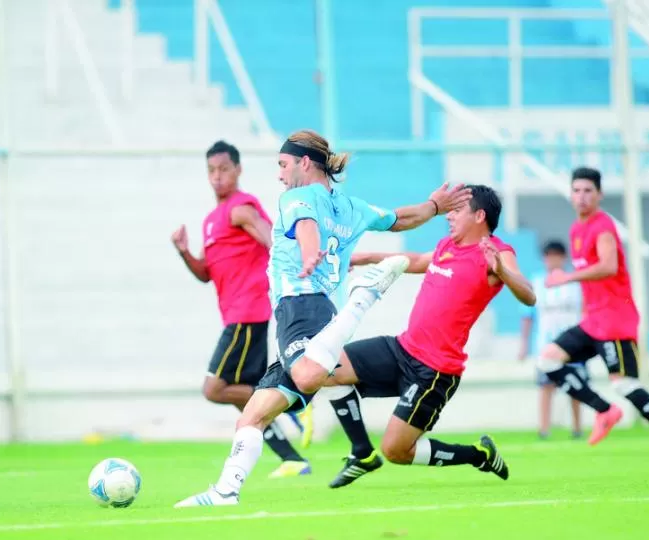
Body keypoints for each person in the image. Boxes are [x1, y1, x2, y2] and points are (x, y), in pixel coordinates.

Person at [174, 129, 472, 507]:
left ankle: (363, 299)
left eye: (283, 165)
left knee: (307, 375)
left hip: (301, 308)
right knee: (251, 415)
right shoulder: (351, 207)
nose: (280, 175)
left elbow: (307, 228)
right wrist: (433, 205)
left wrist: (311, 253)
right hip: (313, 314)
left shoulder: (296, 196)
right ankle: (225, 491)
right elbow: (398, 218)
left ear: (303, 162)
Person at [315, 185, 535, 487]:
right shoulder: (447, 245)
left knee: (396, 451)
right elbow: (416, 260)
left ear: (479, 215)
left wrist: (504, 272)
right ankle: (362, 453)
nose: (449, 216)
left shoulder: (498, 253)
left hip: (434, 370)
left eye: (457, 210)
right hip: (402, 349)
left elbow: (529, 296)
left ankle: (479, 455)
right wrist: (365, 257)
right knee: (325, 368)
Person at [171, 140, 310, 478]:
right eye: (211, 171)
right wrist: (184, 252)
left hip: (247, 314)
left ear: (237, 170)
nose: (217, 177)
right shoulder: (211, 220)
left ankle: (291, 403)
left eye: (223, 169)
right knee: (246, 398)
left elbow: (272, 241)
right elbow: (206, 274)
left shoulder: (240, 209)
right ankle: (293, 459)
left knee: (215, 389)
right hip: (237, 313)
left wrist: (302, 265)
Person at [536, 167, 649, 453]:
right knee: (548, 360)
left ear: (599, 195)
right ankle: (604, 411)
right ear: (571, 194)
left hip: (614, 320)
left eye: (588, 191)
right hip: (593, 321)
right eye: (577, 190)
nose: (581, 197)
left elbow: (608, 266)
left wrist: (566, 277)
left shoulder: (603, 227)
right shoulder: (576, 230)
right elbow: (590, 281)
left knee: (624, 384)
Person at [519, 240, 586, 440]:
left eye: (557, 256)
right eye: (550, 256)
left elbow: (586, 312)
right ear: (544, 259)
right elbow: (527, 316)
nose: (553, 260)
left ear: (564, 258)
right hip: (546, 345)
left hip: (574, 345)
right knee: (546, 386)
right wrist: (523, 345)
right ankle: (544, 429)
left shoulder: (576, 283)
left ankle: (577, 428)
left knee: (577, 386)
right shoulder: (537, 283)